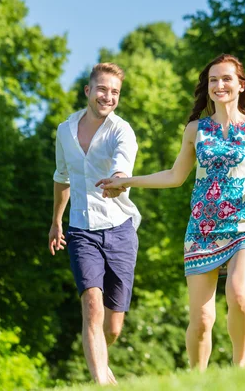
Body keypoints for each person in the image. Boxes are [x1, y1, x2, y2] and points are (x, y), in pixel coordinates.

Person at [96, 54, 245, 370]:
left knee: (237, 293)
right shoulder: (196, 130)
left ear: (240, 85)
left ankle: (241, 369)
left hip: (244, 225)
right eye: (213, 80)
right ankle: (197, 379)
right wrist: (127, 182)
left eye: (226, 79)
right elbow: (176, 176)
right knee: (203, 318)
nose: (220, 85)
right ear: (207, 88)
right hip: (202, 231)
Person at [48, 62, 140, 385]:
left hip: (119, 229)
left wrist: (118, 179)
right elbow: (62, 178)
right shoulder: (65, 131)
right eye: (102, 89)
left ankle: (101, 357)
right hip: (81, 230)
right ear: (88, 91)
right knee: (91, 305)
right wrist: (57, 220)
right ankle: (101, 381)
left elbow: (122, 164)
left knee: (112, 326)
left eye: (115, 92)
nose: (108, 97)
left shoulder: (121, 130)